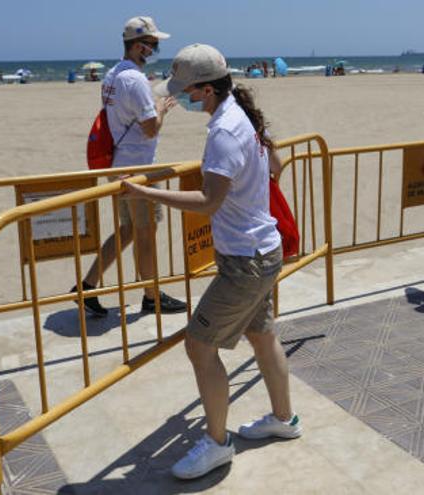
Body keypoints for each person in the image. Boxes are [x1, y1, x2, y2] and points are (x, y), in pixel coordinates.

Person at [122, 43, 300, 480]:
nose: (181, 98)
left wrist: (146, 193)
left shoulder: (224, 131)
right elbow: (275, 164)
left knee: (199, 346)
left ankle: (217, 444)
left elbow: (208, 201)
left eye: (185, 91)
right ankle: (284, 419)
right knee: (261, 334)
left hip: (245, 261)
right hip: (263, 250)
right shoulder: (243, 113)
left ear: (203, 90)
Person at [70, 15, 186, 317]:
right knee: (145, 231)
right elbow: (150, 128)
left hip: (119, 163)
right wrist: (161, 109)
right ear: (137, 46)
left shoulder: (112, 74)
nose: (153, 51)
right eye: (151, 46)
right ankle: (151, 295)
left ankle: (87, 285)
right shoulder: (133, 79)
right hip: (137, 167)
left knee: (128, 229)